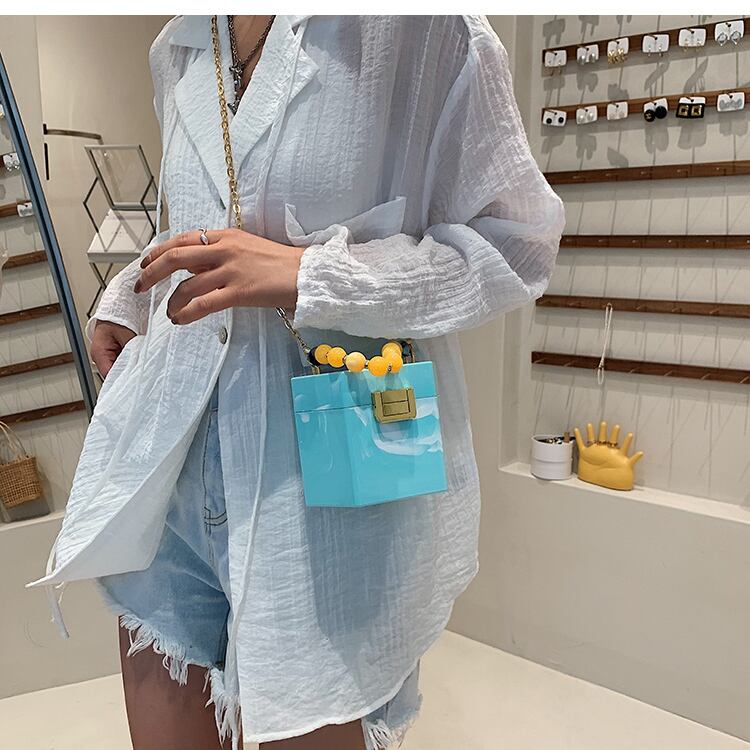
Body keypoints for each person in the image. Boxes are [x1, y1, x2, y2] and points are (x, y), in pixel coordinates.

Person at [32, 15, 564, 750]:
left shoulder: (424, 30)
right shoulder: (180, 46)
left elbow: (517, 245)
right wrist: (129, 297)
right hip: (171, 475)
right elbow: (194, 222)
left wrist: (314, 274)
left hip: (323, 490)